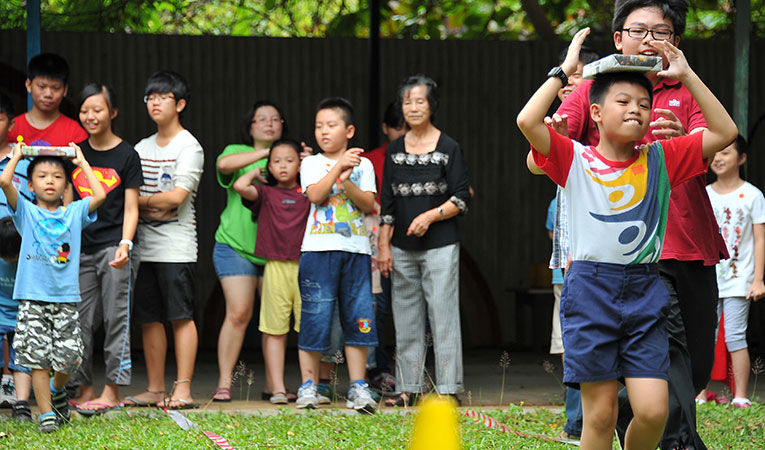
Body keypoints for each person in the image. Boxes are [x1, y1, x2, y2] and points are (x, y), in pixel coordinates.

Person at [517, 26, 737, 449]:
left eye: (643, 103)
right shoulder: (573, 157)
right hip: (590, 289)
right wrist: (562, 73)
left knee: (655, 411)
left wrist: (687, 75)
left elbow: (724, 132)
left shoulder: (663, 158)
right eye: (623, 101)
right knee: (600, 417)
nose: (636, 109)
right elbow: (527, 121)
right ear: (596, 114)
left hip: (643, 289)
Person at [377, 75, 471, 407]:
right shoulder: (394, 150)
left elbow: (461, 198)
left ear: (432, 105)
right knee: (405, 318)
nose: (413, 107)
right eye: (407, 102)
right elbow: (386, 203)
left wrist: (430, 216)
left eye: (420, 101)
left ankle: (447, 389)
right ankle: (408, 388)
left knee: (444, 316)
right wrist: (383, 246)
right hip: (401, 247)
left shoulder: (448, 147)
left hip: (441, 244)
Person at [0, 142, 106, 432]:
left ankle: (56, 390)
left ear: (66, 185)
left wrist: (82, 161)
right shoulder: (26, 212)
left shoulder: (73, 213)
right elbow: (4, 181)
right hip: (33, 298)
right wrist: (18, 156)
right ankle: (46, 413)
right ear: (31, 186)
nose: (50, 181)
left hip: (66, 298)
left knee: (71, 358)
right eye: (43, 176)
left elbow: (100, 194)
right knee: (37, 358)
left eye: (57, 176)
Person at [124, 70, 204, 410]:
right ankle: (156, 389)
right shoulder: (140, 148)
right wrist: (145, 202)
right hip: (144, 247)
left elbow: (176, 198)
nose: (154, 103)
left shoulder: (190, 147)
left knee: (180, 316)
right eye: (150, 98)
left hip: (177, 247)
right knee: (149, 318)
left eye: (163, 97)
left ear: (180, 103)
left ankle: (182, 388)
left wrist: (139, 202)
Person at [295, 97, 378, 413]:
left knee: (359, 317)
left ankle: (358, 387)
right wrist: (338, 167)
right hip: (317, 252)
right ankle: (308, 387)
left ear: (350, 130)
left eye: (331, 125)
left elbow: (368, 204)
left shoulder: (365, 165)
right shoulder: (311, 163)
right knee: (315, 317)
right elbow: (316, 195)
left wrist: (347, 179)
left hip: (356, 252)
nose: (323, 132)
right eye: (319, 126)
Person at [213, 101, 299, 402]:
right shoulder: (235, 151)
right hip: (236, 245)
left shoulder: (292, 159)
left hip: (277, 251)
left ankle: (274, 385)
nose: (269, 123)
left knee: (276, 319)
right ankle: (224, 383)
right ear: (249, 127)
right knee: (239, 312)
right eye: (261, 119)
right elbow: (223, 167)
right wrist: (267, 153)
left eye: (276, 119)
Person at [66, 84, 143, 415]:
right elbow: (69, 204)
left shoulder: (127, 155)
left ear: (112, 112)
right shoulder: (75, 154)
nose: (90, 116)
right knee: (78, 321)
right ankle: (85, 388)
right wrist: (65, 245)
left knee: (116, 320)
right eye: (84, 110)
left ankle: (112, 391)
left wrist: (125, 244)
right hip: (80, 250)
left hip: (115, 248)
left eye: (97, 109)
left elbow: (131, 208)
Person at [233, 139, 310, 404]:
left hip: (306, 266)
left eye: (290, 160)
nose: (283, 166)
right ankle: (277, 388)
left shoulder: (309, 191)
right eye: (276, 161)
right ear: (269, 166)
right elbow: (239, 186)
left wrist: (311, 164)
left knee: (308, 328)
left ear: (299, 164)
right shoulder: (265, 193)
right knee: (274, 330)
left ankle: (308, 386)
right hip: (275, 266)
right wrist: (255, 173)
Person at [697, 135, 764, 408]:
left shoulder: (752, 195)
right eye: (715, 153)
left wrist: (758, 279)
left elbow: (760, 239)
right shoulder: (704, 193)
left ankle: (740, 396)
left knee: (736, 335)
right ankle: (699, 395)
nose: (718, 158)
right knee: (704, 336)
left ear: (742, 158)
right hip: (707, 279)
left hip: (740, 280)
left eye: (726, 152)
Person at [363, 102, 406, 395]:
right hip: (375, 240)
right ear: (385, 128)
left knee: (412, 307)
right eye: (397, 128)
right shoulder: (369, 160)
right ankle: (376, 370)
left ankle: (413, 372)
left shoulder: (429, 154)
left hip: (415, 240)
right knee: (376, 308)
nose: (402, 134)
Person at [0, 94, 34, 421]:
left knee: (22, 327)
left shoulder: (25, 160)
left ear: (11, 124)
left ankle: (21, 402)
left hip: (22, 252)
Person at [5, 53, 87, 147]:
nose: (48, 94)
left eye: (55, 88)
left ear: (65, 90)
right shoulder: (11, 129)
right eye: (42, 86)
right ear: (28, 85)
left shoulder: (76, 133)